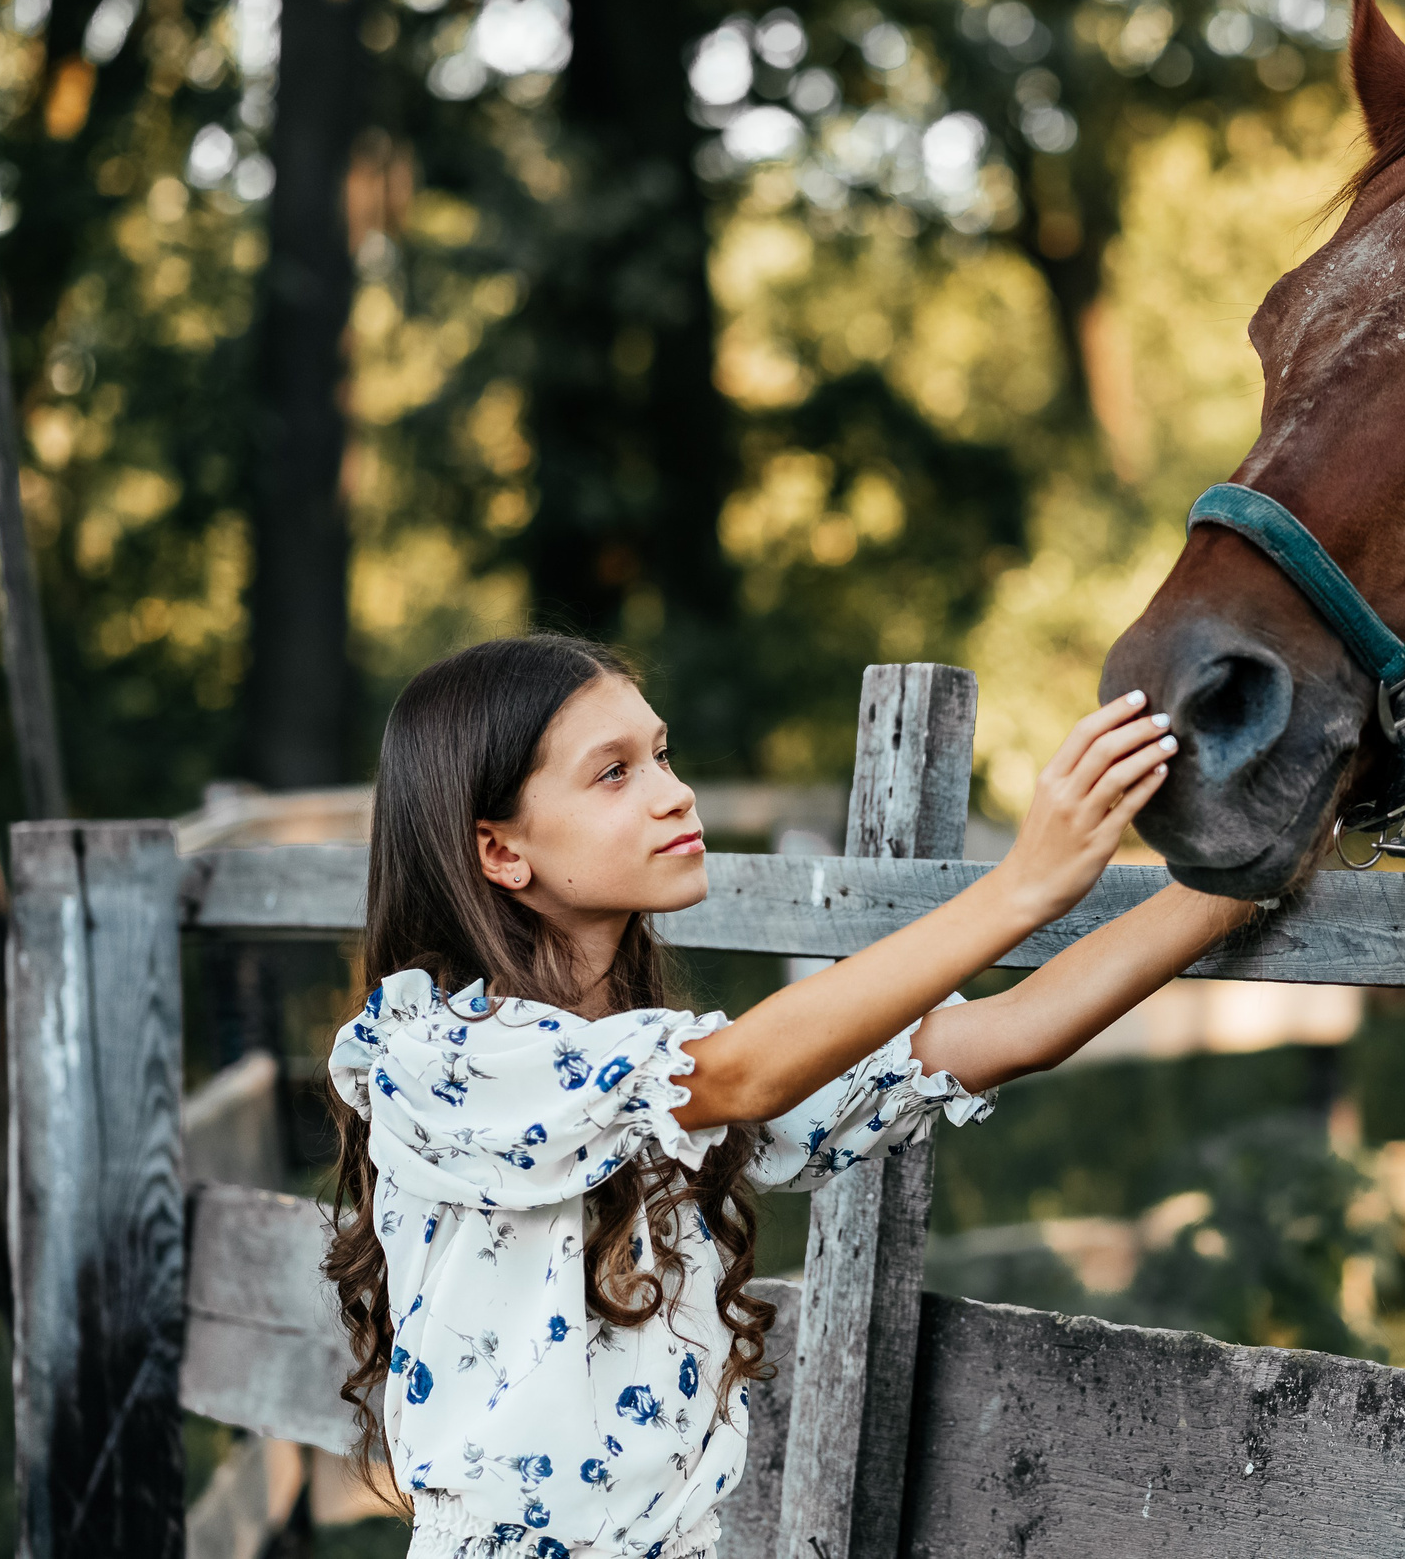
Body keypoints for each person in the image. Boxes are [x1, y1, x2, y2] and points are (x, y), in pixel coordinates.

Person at [323, 634, 1252, 1559]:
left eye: (660, 753)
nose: (672, 790)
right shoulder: (434, 1054)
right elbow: (740, 1071)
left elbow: (1012, 1031)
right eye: (612, 773)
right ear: (499, 850)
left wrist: (1267, 848)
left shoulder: (666, 1090)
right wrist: (1021, 888)